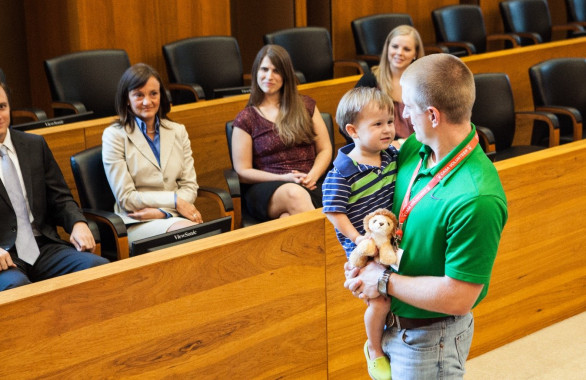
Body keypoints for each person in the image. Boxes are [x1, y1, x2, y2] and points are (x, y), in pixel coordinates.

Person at [344, 53, 508, 379]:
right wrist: (364, 264)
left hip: (432, 340)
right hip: (394, 323)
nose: (403, 115)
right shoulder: (412, 151)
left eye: (408, 107)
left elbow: (460, 297)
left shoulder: (476, 197)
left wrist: (384, 280)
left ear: (432, 115)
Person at [0, 81, 108, 291]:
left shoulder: (34, 145)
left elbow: (61, 198)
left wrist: (78, 223)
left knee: (98, 269)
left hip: (43, 246)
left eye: (1, 107)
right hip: (4, 257)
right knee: (18, 288)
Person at [322, 87, 398, 380]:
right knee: (379, 300)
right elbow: (333, 212)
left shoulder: (390, 156)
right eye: (377, 124)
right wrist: (358, 239)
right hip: (363, 249)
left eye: (389, 121)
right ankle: (375, 349)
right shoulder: (342, 170)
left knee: (396, 289)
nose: (387, 129)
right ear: (352, 130)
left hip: (389, 240)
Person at [102, 63, 202, 249]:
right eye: (139, 95)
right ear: (127, 99)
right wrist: (174, 201)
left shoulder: (178, 131)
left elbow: (190, 186)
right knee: (192, 235)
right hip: (136, 222)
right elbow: (127, 198)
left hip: (174, 216)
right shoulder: (114, 135)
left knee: (200, 235)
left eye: (153, 94)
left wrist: (162, 212)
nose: (147, 101)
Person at [231, 44, 332, 221]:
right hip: (269, 187)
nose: (269, 76)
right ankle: (335, 244)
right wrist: (284, 177)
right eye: (264, 69)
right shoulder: (246, 118)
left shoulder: (306, 106)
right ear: (256, 72)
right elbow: (242, 170)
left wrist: (313, 175)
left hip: (311, 180)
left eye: (276, 71)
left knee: (287, 218)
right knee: (295, 194)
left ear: (285, 75)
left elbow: (325, 149)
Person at [355, 25, 425, 141]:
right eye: (395, 47)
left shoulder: (424, 81)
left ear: (415, 54)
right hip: (381, 149)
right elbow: (349, 118)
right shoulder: (370, 80)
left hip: (417, 147)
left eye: (406, 49)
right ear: (387, 48)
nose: (399, 52)